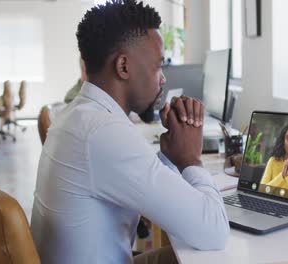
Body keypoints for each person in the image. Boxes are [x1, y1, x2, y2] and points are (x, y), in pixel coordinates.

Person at [30, 1, 229, 263]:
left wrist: (170, 156)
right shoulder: (103, 132)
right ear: (123, 66)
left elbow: (142, 181)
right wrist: (191, 159)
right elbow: (214, 232)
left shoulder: (79, 115)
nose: (163, 79)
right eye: (158, 66)